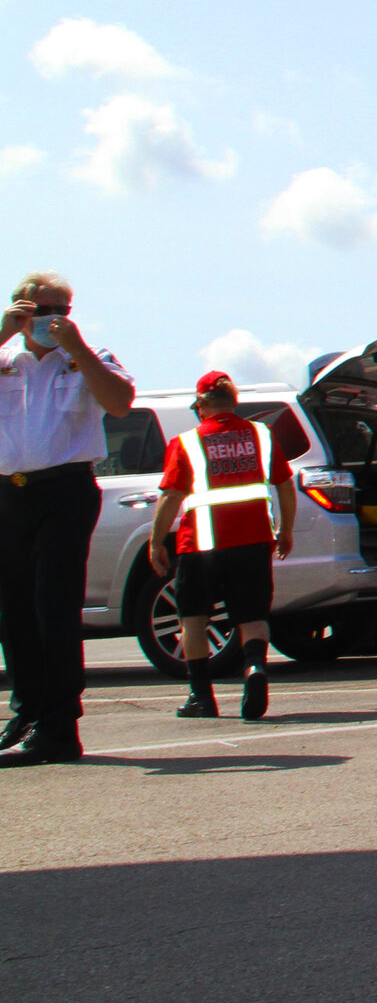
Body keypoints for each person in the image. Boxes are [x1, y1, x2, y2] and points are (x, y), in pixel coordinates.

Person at [0, 271, 134, 767]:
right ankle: (28, 713)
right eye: (42, 309)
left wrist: (75, 348)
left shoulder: (88, 357)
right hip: (9, 494)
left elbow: (120, 404)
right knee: (14, 612)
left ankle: (59, 726)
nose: (52, 319)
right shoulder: (5, 359)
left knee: (52, 607)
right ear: (20, 309)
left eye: (62, 309)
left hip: (65, 491)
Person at [149, 372, 298, 721]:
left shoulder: (187, 441)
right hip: (254, 540)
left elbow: (171, 497)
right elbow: (286, 488)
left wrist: (157, 541)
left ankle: (201, 697)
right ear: (234, 402)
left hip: (201, 545)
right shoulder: (262, 436)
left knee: (194, 619)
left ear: (201, 405)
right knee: (253, 616)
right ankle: (254, 667)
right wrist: (286, 530)